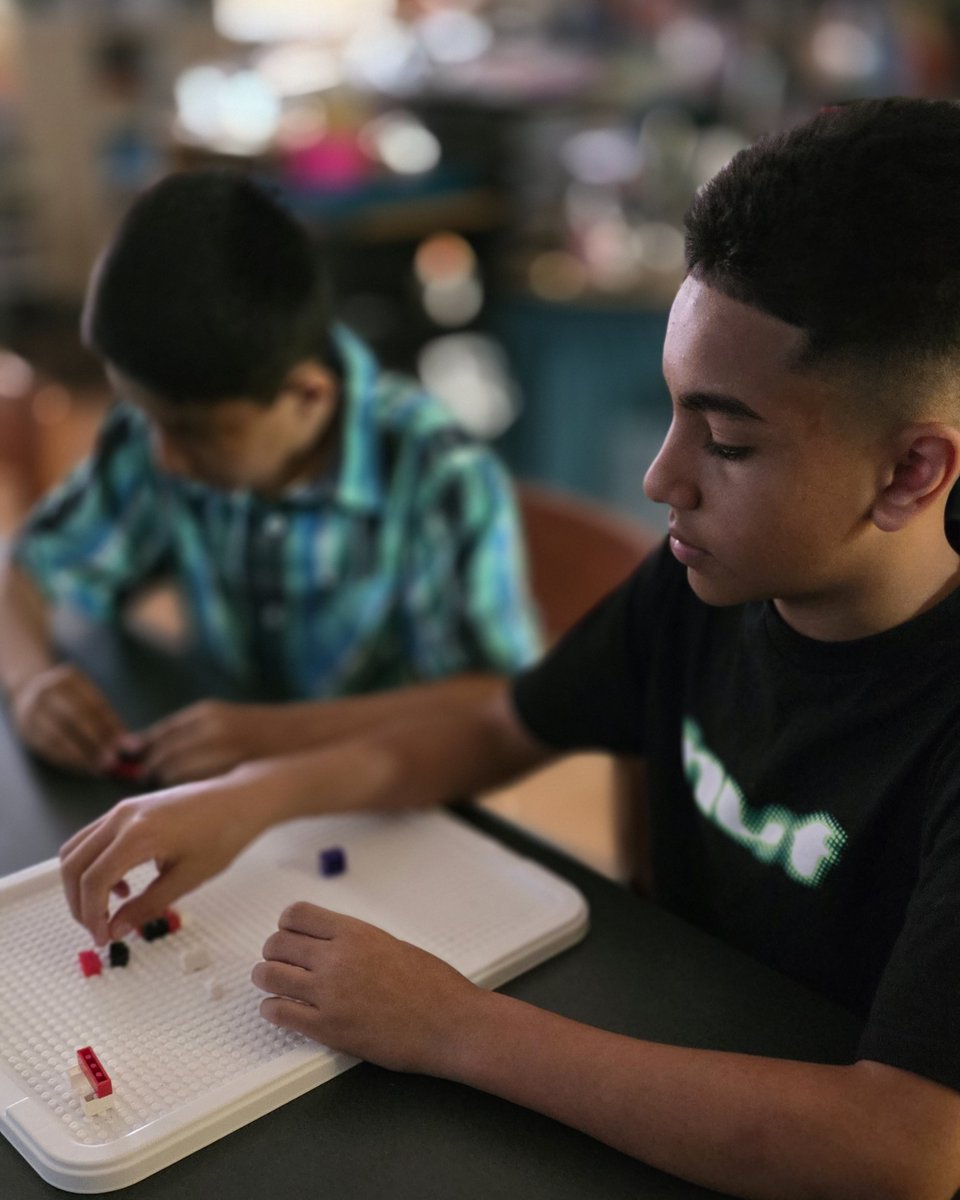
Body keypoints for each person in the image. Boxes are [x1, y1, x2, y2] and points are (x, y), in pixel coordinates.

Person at [59, 97, 960, 1199]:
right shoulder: (706, 586)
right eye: (673, 411)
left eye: (726, 440)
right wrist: (256, 793)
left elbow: (905, 1146)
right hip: (669, 1047)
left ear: (912, 472)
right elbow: (494, 726)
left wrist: (454, 1027)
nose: (659, 477)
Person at [0, 169, 540, 783]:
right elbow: (24, 571)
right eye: (145, 417)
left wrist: (273, 736)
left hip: (388, 798)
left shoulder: (441, 478)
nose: (164, 457)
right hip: (221, 782)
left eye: (193, 432)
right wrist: (30, 683)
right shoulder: (162, 429)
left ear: (307, 396)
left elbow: (494, 697)